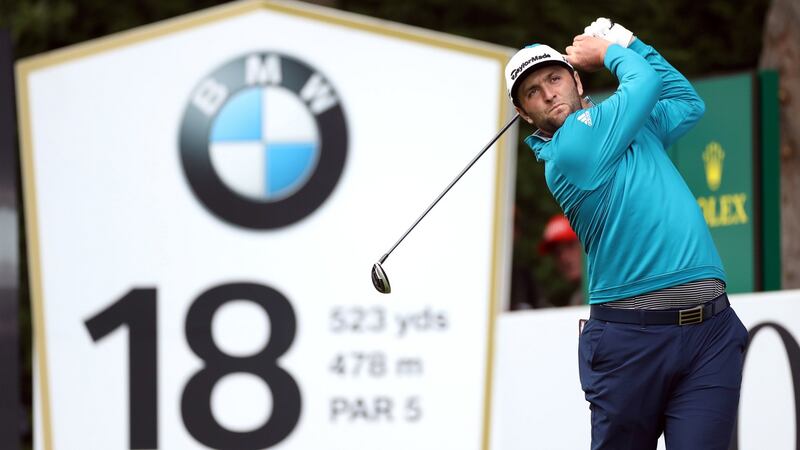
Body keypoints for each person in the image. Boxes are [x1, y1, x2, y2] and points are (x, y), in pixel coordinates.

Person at [504, 18, 749, 450]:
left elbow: (686, 102)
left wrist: (632, 42)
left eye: (555, 78)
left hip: (710, 332)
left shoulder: (626, 124)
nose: (548, 93)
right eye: (532, 92)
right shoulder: (568, 152)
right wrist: (611, 49)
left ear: (576, 81)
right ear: (526, 115)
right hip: (632, 345)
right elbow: (644, 80)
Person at [539, 214, 584, 306]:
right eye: (557, 252)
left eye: (570, 245)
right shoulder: (577, 299)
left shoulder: (612, 292)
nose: (564, 258)